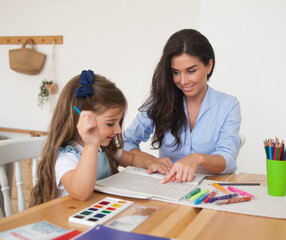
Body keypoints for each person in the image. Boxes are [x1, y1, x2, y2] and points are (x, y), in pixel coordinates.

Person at [30, 70, 170, 206]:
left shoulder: (105, 150)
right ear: (83, 120)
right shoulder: (66, 158)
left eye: (119, 122)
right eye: (110, 123)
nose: (118, 130)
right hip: (71, 222)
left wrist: (150, 163)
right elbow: (81, 193)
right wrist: (91, 145)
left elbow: (132, 159)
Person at [123, 29, 241, 184]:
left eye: (191, 71)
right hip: (168, 187)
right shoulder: (160, 100)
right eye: (175, 72)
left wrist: (197, 158)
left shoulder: (228, 105)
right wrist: (149, 161)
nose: (183, 81)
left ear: (209, 65)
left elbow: (229, 160)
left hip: (208, 189)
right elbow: (126, 143)